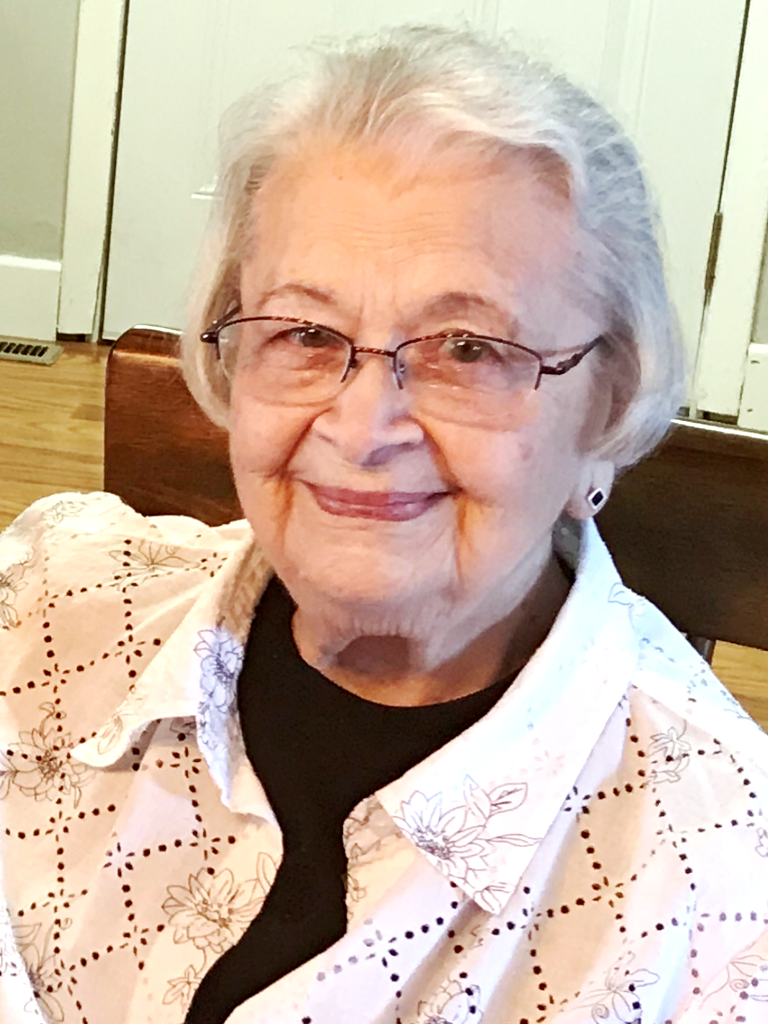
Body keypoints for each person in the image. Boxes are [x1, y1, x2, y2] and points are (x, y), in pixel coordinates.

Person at [1, 23, 767, 1024]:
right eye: (304, 332)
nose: (362, 431)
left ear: (608, 408)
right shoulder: (47, 603)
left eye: (469, 347)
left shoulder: (718, 898)